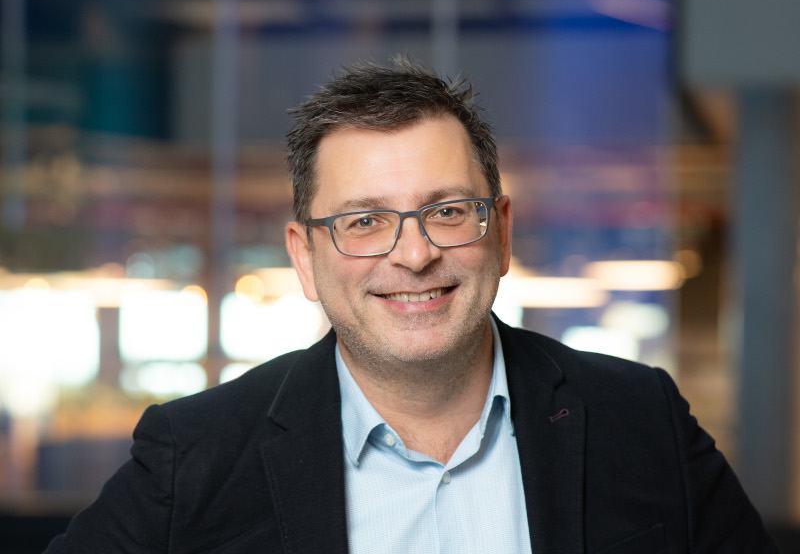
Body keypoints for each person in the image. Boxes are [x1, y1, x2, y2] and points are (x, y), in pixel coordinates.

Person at [46, 59, 778, 554]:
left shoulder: (640, 421)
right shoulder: (195, 456)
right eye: (364, 221)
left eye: (449, 210)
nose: (413, 254)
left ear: (502, 231)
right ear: (304, 255)